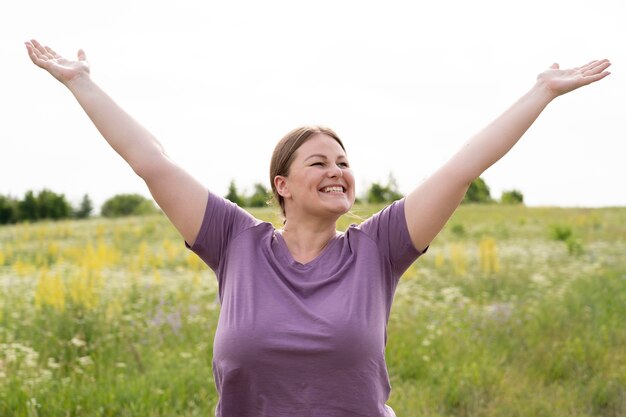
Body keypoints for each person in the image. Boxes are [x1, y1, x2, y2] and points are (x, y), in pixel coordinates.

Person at [25, 39, 611, 417]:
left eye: (344, 161)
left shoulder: (379, 247)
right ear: (281, 184)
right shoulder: (236, 243)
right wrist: (80, 81)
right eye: (319, 162)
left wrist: (541, 92)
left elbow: (462, 168)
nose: (338, 171)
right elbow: (151, 161)